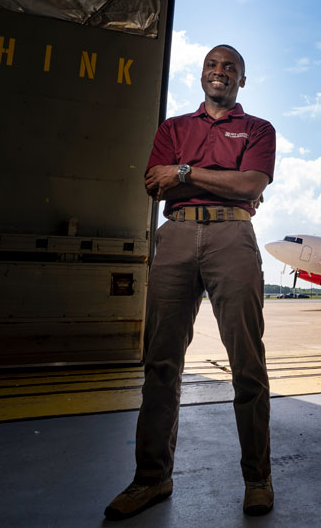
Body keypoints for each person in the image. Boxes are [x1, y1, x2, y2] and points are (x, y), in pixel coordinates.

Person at [105, 45, 276, 520]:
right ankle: (151, 479)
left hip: (232, 235)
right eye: (213, 66)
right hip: (177, 235)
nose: (220, 73)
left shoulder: (259, 129)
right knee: (161, 362)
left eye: (231, 68)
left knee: (246, 361)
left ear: (242, 80)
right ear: (202, 75)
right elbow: (154, 183)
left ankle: (257, 479)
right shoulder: (173, 128)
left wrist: (184, 172)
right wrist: (220, 178)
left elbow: (250, 186)